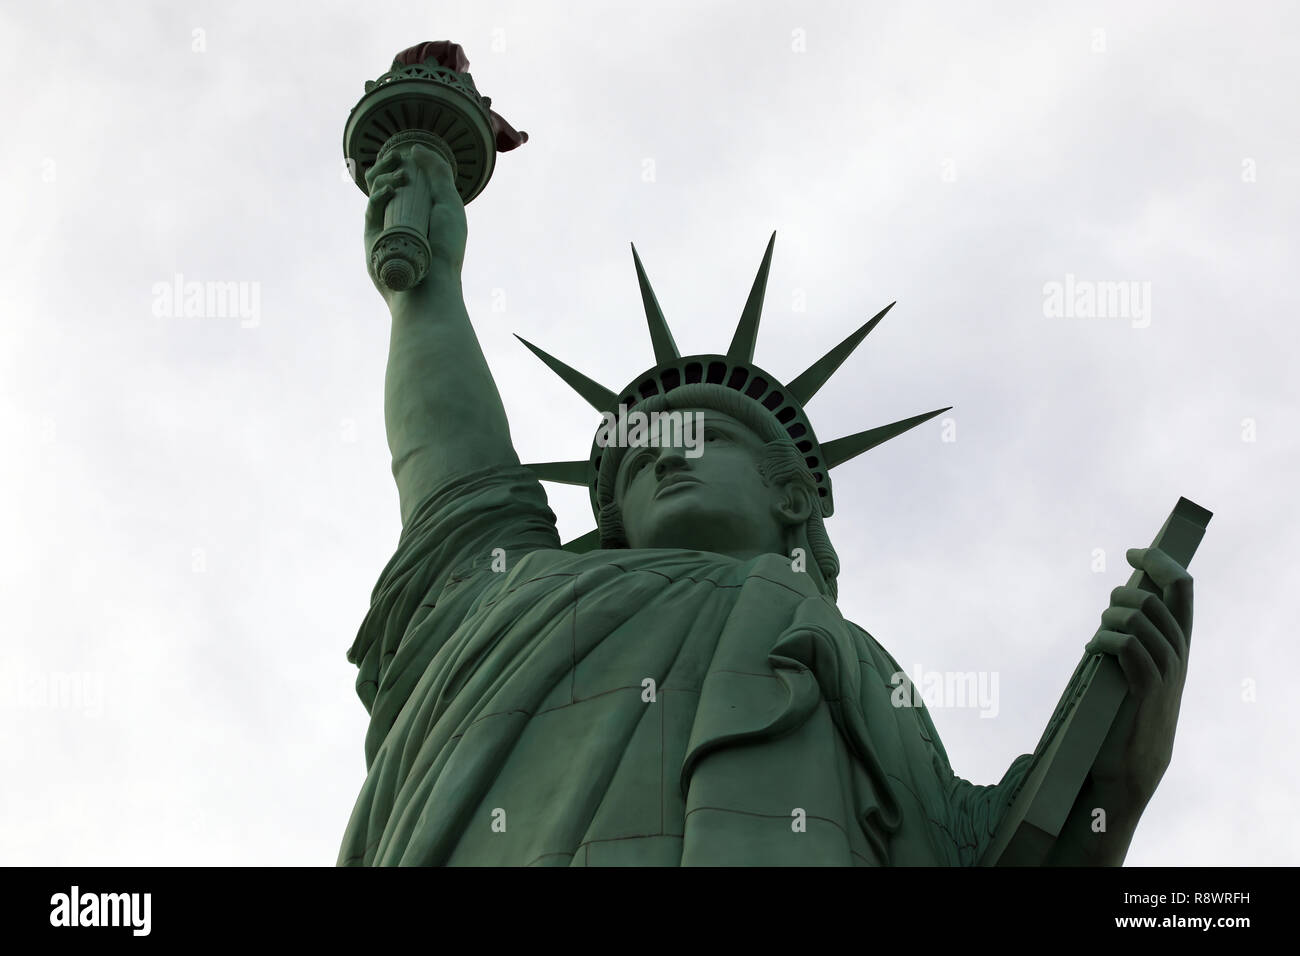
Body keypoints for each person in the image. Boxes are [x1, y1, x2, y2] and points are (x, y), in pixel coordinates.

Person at [337, 143, 1194, 866]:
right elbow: (450, 459)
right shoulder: (519, 589)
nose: (667, 458)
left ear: (790, 494)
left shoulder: (858, 668)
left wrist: (1115, 777)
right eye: (638, 462)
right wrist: (428, 290)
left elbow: (986, 853)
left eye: (702, 440)